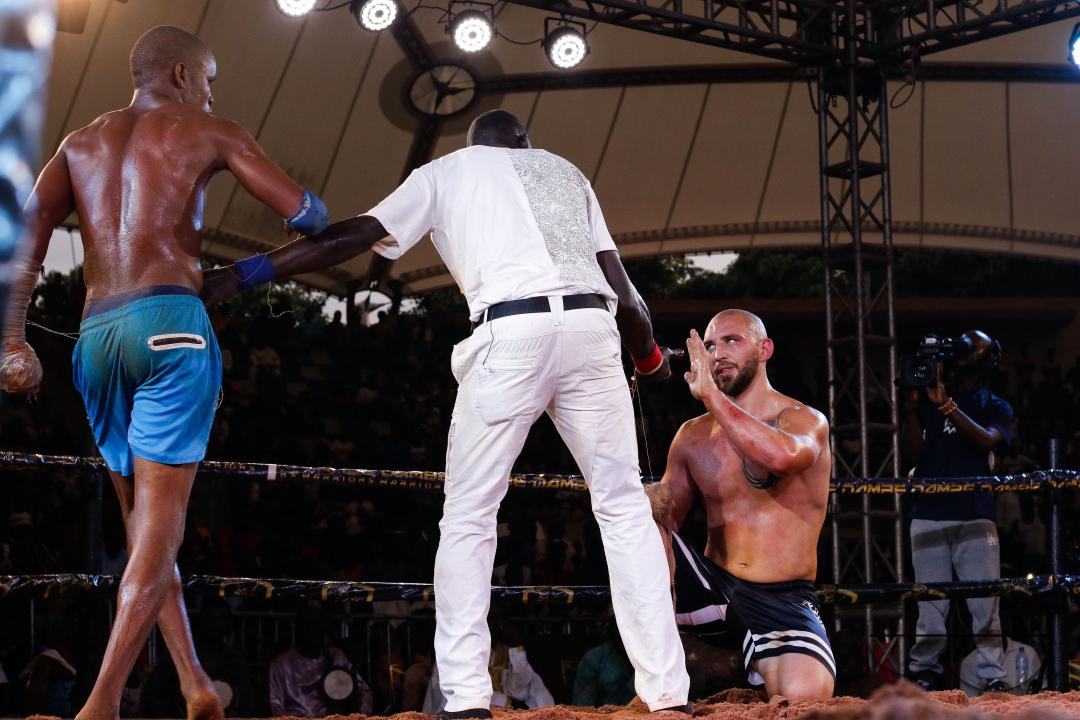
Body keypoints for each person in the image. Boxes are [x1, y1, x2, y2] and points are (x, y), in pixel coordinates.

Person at [202, 109, 691, 718]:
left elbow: (354, 236)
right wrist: (649, 361)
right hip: (594, 327)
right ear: (524, 142)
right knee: (623, 510)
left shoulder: (447, 170)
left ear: (474, 143)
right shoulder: (566, 173)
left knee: (469, 515)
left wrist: (244, 273)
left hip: (511, 331)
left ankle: (465, 698)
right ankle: (667, 693)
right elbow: (627, 295)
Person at [0, 25, 328, 720]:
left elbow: (21, 242)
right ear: (181, 73)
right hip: (171, 324)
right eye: (209, 79)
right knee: (161, 531)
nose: (212, 93)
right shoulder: (210, 129)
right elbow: (304, 212)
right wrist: (302, 221)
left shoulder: (78, 143)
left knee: (144, 530)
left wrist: (12, 339)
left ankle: (193, 682)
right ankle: (102, 701)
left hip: (97, 339)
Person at [647, 310, 835, 700]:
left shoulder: (804, 420)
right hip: (711, 591)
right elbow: (664, 523)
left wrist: (713, 399)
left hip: (781, 598)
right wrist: (643, 499)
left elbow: (782, 457)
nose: (717, 354)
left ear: (765, 349)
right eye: (710, 346)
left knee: (804, 696)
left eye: (732, 340)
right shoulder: (692, 436)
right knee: (638, 524)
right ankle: (668, 659)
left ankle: (733, 663)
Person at [900, 330, 1011, 694]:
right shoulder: (928, 400)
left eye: (973, 346)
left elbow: (987, 440)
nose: (965, 352)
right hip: (928, 513)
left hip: (975, 514)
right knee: (930, 604)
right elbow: (912, 455)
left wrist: (946, 404)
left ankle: (992, 673)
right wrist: (913, 407)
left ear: (988, 358)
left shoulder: (994, 404)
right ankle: (925, 671)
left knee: (985, 602)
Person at [268, 605, 373, 717]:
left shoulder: (336, 657)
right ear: (298, 631)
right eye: (307, 628)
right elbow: (275, 704)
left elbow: (363, 691)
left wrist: (359, 715)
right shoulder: (281, 664)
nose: (312, 634)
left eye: (316, 628)